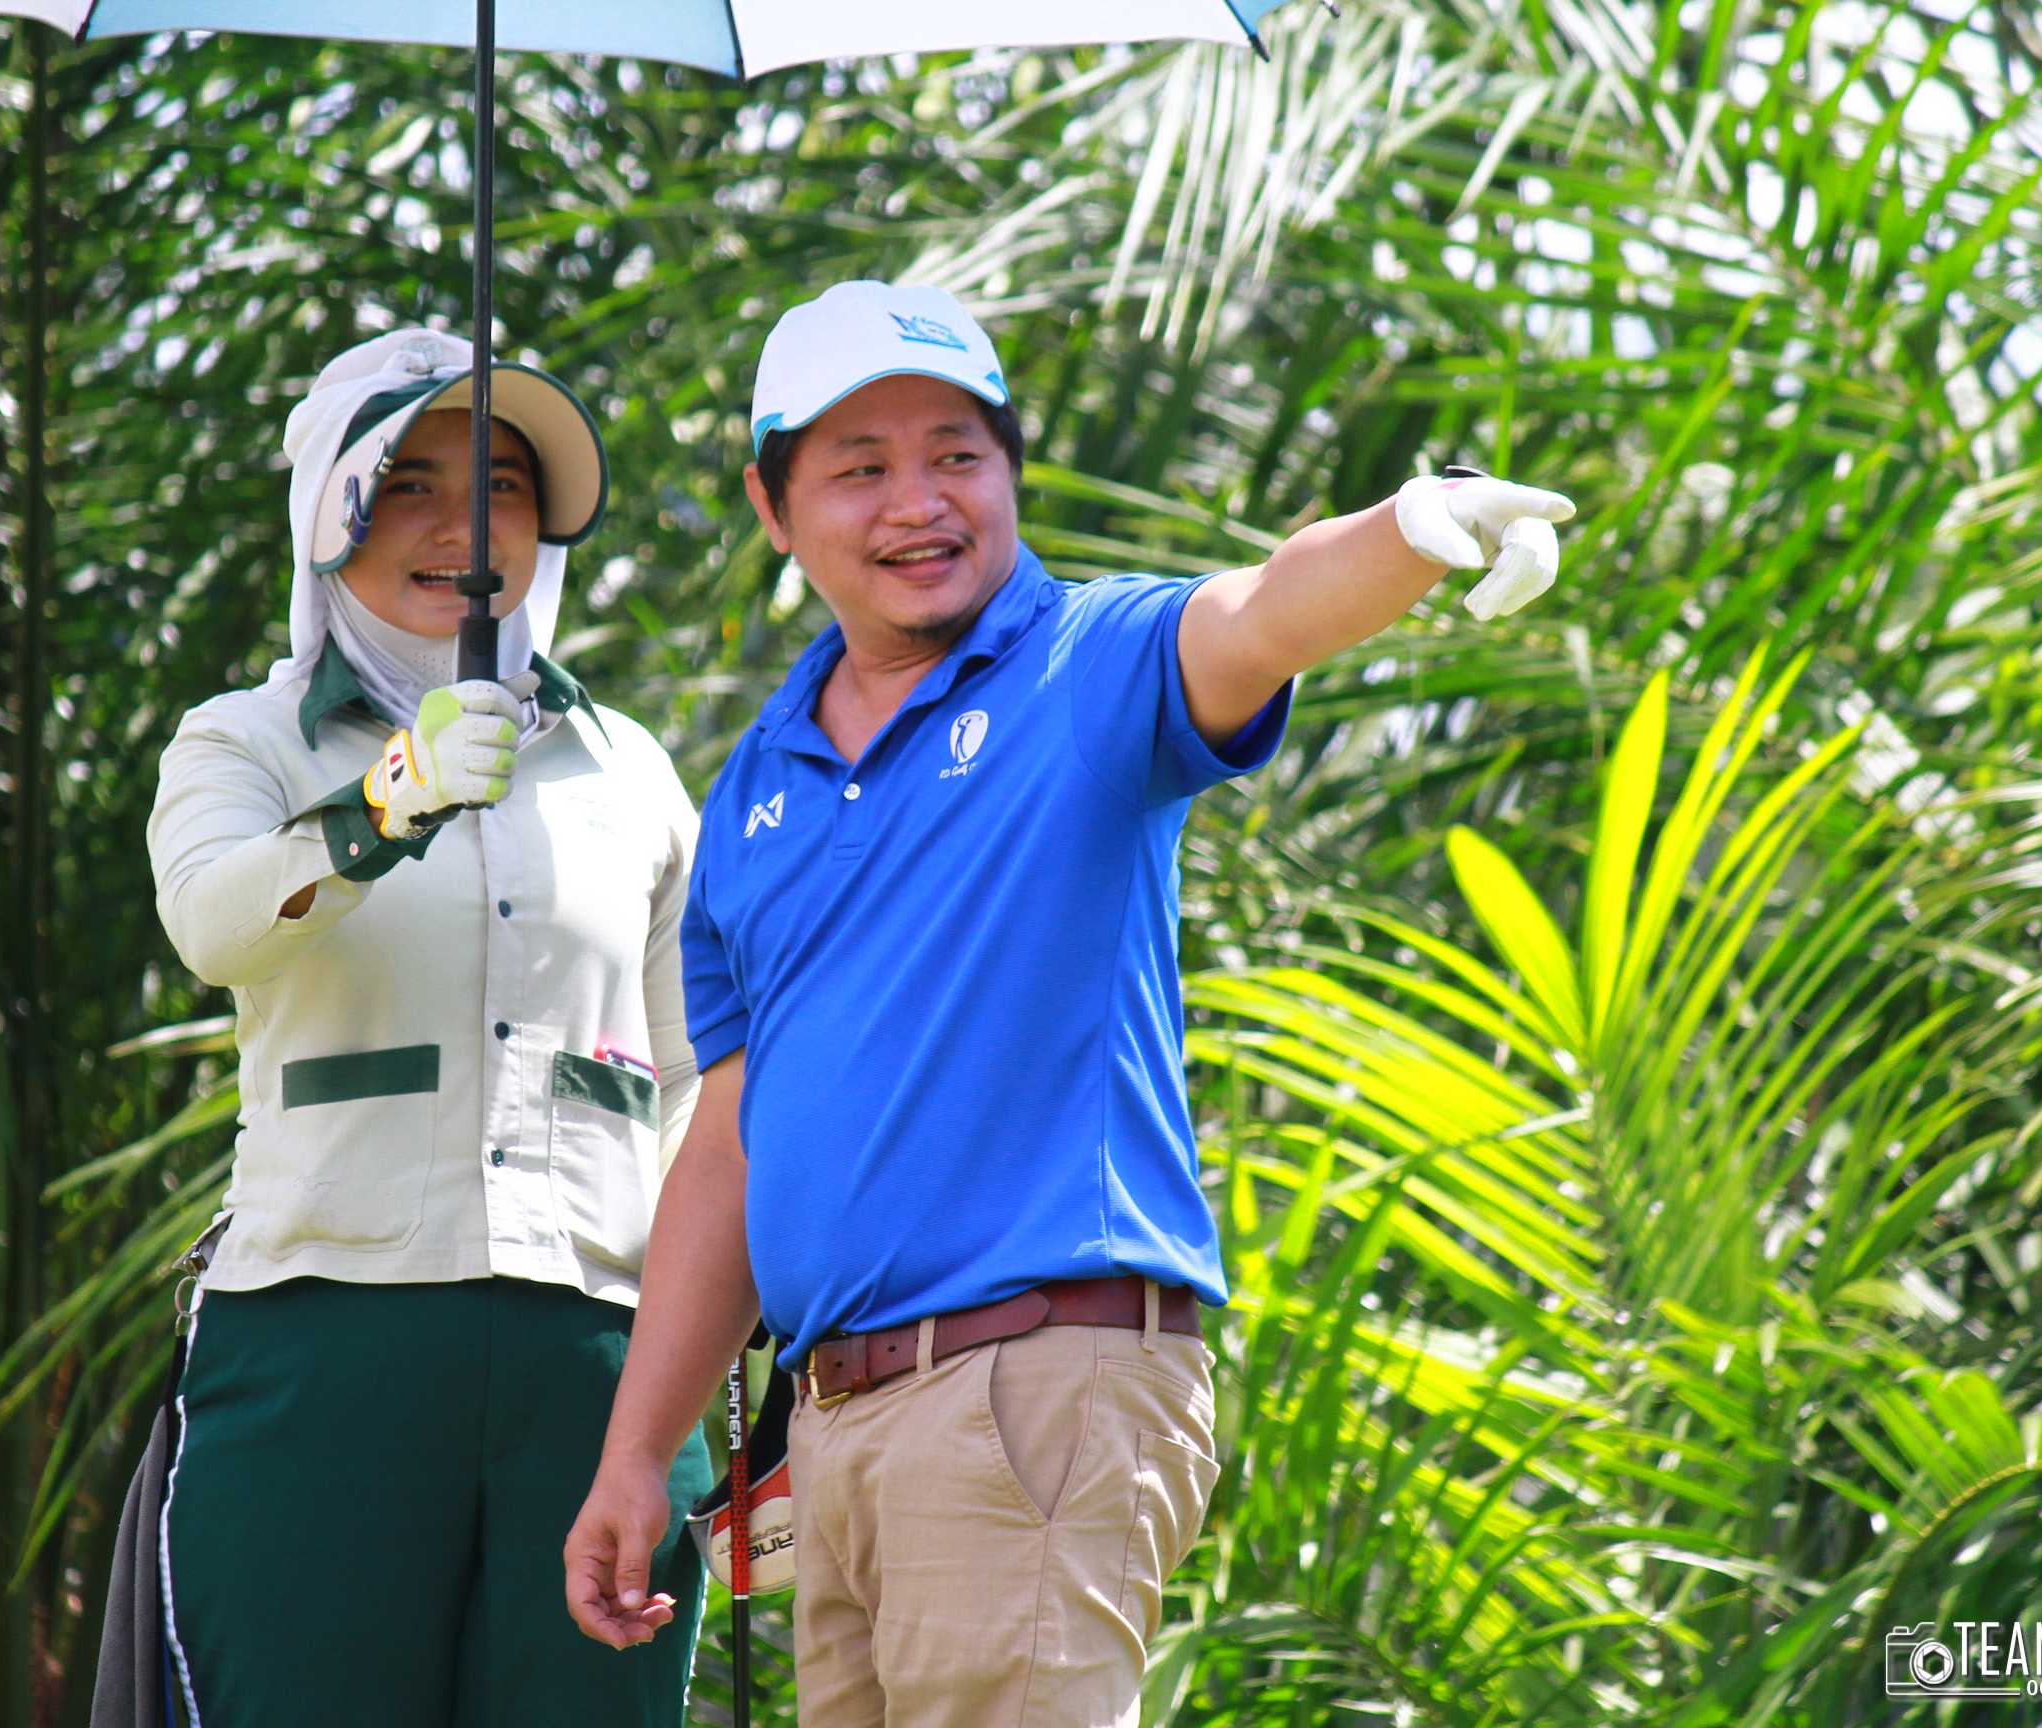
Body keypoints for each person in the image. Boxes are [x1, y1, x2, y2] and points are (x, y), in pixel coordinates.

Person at [560, 281, 1574, 1726]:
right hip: (834, 1432)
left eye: (957, 456)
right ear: (773, 507)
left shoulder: (1086, 662)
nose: (919, 501)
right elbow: (730, 1144)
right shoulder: (753, 791)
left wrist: (1416, 526)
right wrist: (633, 1454)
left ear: (1010, 474)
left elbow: (1260, 611)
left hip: (1027, 1384)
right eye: (861, 467)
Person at [145, 327, 711, 1728]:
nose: (464, 527)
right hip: (323, 1347)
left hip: (601, 1369)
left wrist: (702, 1352)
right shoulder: (245, 741)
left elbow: (695, 1080)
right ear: (326, 515)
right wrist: (388, 799)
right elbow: (212, 924)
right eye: (409, 483)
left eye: (503, 486)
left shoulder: (631, 771)